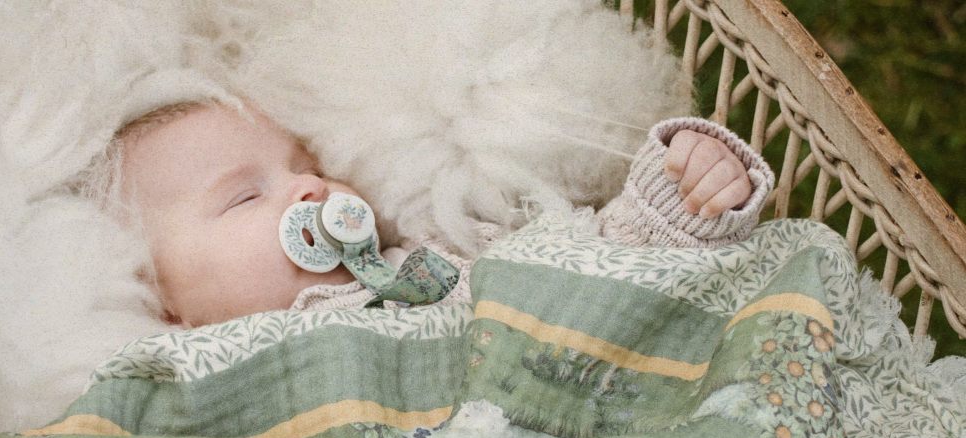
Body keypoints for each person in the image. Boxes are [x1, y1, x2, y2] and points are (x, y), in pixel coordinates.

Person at [107, 99, 774, 328]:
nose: (306, 190)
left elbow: (586, 266)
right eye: (244, 197)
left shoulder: (436, 261)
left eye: (308, 165)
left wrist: (679, 193)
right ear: (166, 303)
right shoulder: (201, 376)